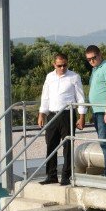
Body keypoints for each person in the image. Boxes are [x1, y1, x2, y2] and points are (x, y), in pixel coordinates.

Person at [38, 52, 87, 185]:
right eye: (59, 65)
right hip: (52, 115)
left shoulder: (74, 77)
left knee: (67, 146)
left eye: (65, 65)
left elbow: (80, 98)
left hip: (67, 114)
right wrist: (42, 113)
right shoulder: (49, 77)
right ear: (54, 64)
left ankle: (66, 176)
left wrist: (82, 116)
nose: (62, 68)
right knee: (51, 145)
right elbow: (45, 96)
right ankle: (51, 175)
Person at [85, 45, 106, 177]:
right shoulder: (95, 69)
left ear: (100, 55)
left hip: (105, 110)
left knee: (104, 141)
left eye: (94, 57)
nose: (92, 61)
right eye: (89, 59)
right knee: (103, 141)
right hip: (98, 111)